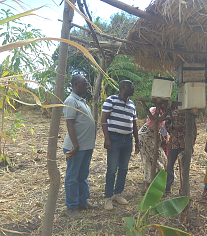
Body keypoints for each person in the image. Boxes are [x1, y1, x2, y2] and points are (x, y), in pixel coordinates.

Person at [101, 80, 139, 211]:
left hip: (127, 139)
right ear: (123, 87)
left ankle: (118, 194)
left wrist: (137, 142)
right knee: (112, 169)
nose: (133, 88)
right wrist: (107, 138)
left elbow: (134, 124)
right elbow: (103, 119)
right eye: (131, 86)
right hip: (114, 138)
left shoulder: (132, 104)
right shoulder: (111, 100)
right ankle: (108, 197)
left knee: (123, 168)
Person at [63, 75, 97, 219]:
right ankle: (71, 207)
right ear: (76, 84)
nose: (87, 86)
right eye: (85, 84)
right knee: (72, 177)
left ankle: (82, 202)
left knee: (82, 175)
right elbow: (69, 124)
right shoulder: (71, 101)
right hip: (75, 147)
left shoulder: (81, 101)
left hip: (85, 147)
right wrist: (75, 145)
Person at [165, 108, 197, 193]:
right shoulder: (172, 113)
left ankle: (183, 189)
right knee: (169, 167)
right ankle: (168, 187)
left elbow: (193, 130)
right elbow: (166, 125)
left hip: (184, 145)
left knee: (184, 168)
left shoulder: (189, 115)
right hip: (173, 144)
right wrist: (172, 127)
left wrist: (191, 145)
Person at [138, 103, 168, 191]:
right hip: (146, 136)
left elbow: (158, 128)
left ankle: (152, 184)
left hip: (153, 135)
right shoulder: (155, 110)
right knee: (153, 159)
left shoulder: (164, 112)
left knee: (160, 158)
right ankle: (150, 185)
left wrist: (162, 139)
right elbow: (151, 121)